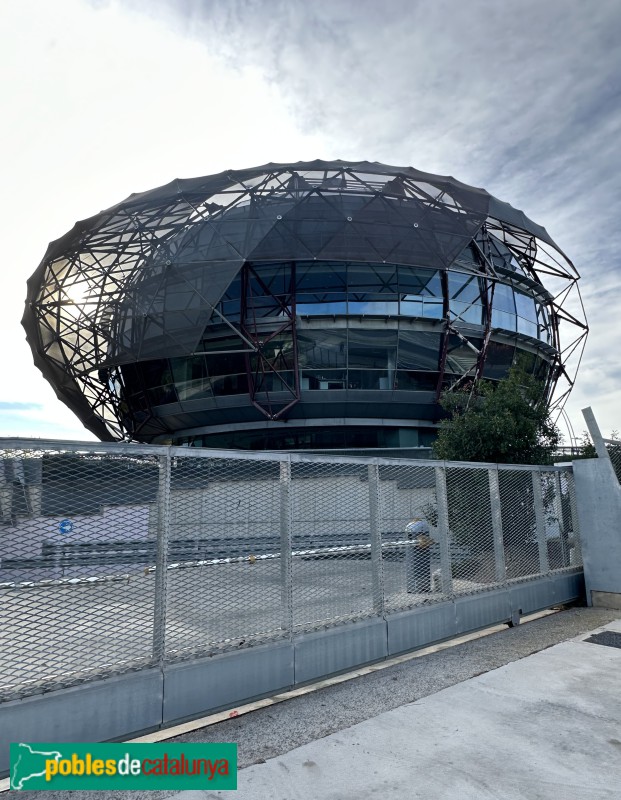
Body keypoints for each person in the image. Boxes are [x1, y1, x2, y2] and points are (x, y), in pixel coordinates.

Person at [405, 517, 435, 593]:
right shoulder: (422, 526)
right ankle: (421, 587)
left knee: (420, 565)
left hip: (420, 554)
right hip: (419, 554)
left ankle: (421, 587)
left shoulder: (411, 527)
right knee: (419, 565)